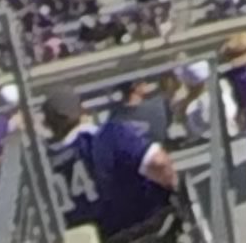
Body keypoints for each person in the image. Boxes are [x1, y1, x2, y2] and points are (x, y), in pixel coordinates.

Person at [42, 88, 182, 243]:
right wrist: (176, 189)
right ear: (83, 110)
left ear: (48, 125)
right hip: (147, 232)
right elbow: (158, 163)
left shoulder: (48, 169)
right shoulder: (109, 135)